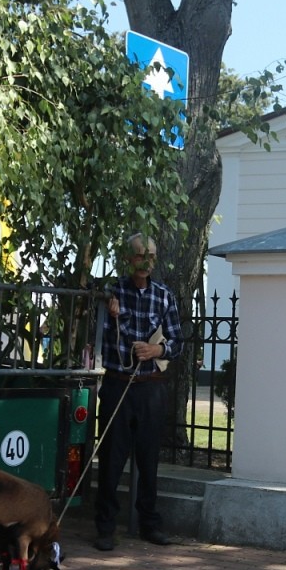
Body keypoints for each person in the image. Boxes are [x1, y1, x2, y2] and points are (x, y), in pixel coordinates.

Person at [93, 233, 184, 551]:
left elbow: (177, 342)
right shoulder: (112, 292)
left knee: (149, 460)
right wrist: (108, 311)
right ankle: (105, 528)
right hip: (118, 384)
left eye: (152, 255)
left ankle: (150, 524)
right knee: (111, 459)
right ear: (129, 259)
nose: (147, 261)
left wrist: (156, 350)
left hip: (151, 389)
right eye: (141, 255)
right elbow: (98, 334)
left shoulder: (164, 295)